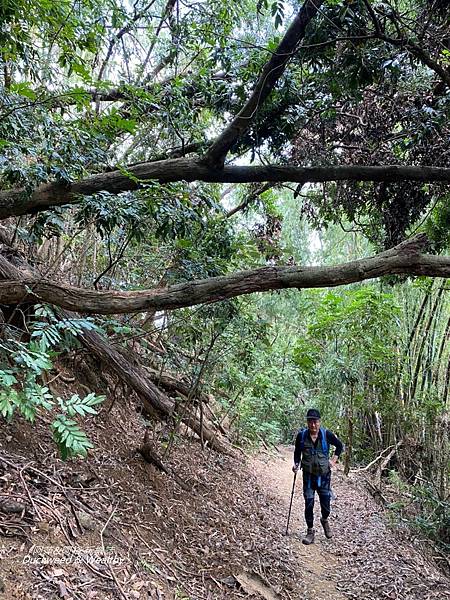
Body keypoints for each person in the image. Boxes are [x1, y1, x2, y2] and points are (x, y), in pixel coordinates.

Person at [292, 408, 343, 545]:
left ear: (319, 422)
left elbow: (339, 446)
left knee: (325, 505)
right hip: (308, 476)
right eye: (310, 422)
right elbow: (297, 452)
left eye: (315, 422)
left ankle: (324, 520)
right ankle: (310, 531)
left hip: (324, 477)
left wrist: (333, 460)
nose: (313, 425)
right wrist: (296, 464)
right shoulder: (301, 436)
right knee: (309, 504)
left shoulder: (326, 435)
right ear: (307, 422)